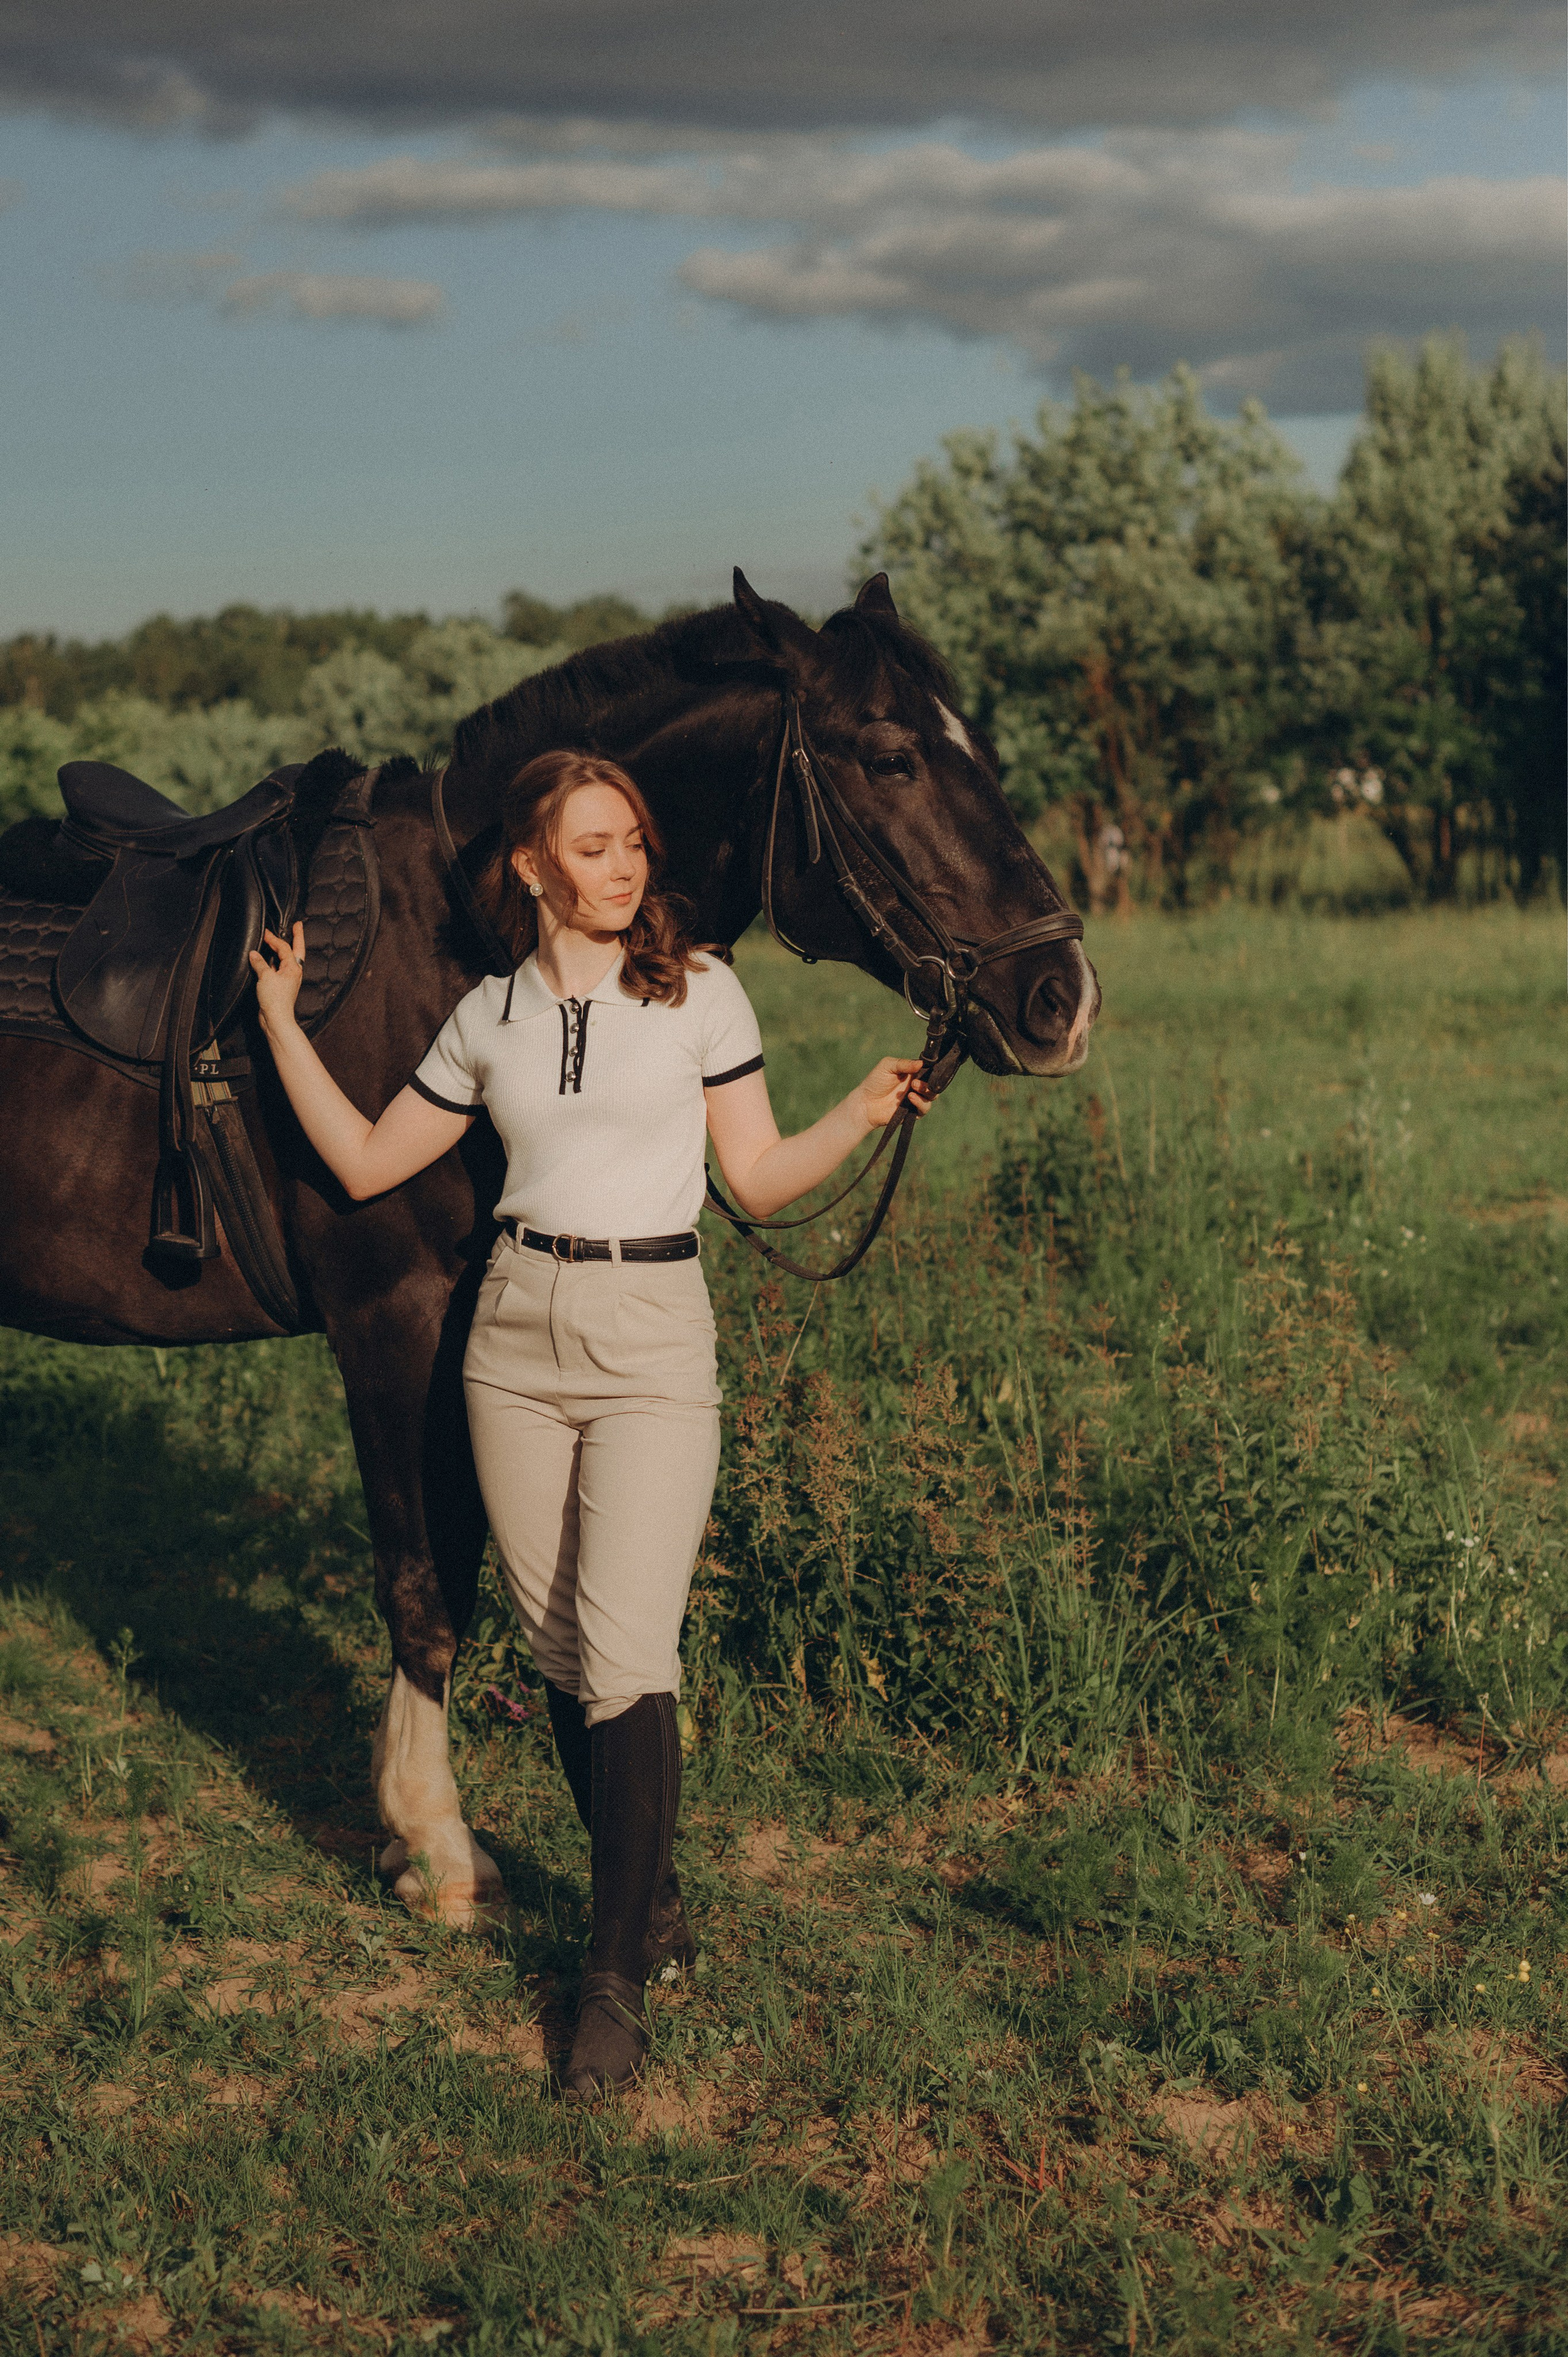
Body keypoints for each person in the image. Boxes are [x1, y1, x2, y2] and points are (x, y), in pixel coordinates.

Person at [250, 747, 930, 2099]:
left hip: (648, 1335)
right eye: (597, 844)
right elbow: (367, 1159)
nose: (624, 867)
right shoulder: (487, 1015)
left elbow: (754, 1169)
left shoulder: (701, 996)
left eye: (633, 844)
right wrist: (278, 1025)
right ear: (531, 863)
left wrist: (851, 1113)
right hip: (512, 1334)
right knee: (559, 1642)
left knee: (627, 1647)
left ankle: (607, 1983)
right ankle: (648, 1902)